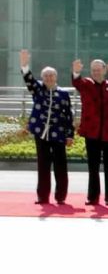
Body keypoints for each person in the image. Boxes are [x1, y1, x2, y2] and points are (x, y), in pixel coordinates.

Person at [19, 49, 74, 205]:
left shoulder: (64, 94)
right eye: (46, 76)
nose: (49, 78)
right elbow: (29, 80)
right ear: (42, 78)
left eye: (51, 76)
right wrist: (24, 65)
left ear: (56, 77)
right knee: (43, 166)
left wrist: (70, 135)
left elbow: (68, 116)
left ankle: (60, 197)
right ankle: (42, 197)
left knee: (60, 166)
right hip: (41, 133)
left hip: (59, 134)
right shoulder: (38, 90)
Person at [72, 57, 108, 206]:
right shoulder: (86, 84)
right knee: (93, 167)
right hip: (92, 132)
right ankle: (93, 196)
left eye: (98, 70)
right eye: (93, 70)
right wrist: (76, 72)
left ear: (104, 70)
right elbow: (76, 82)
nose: (95, 72)